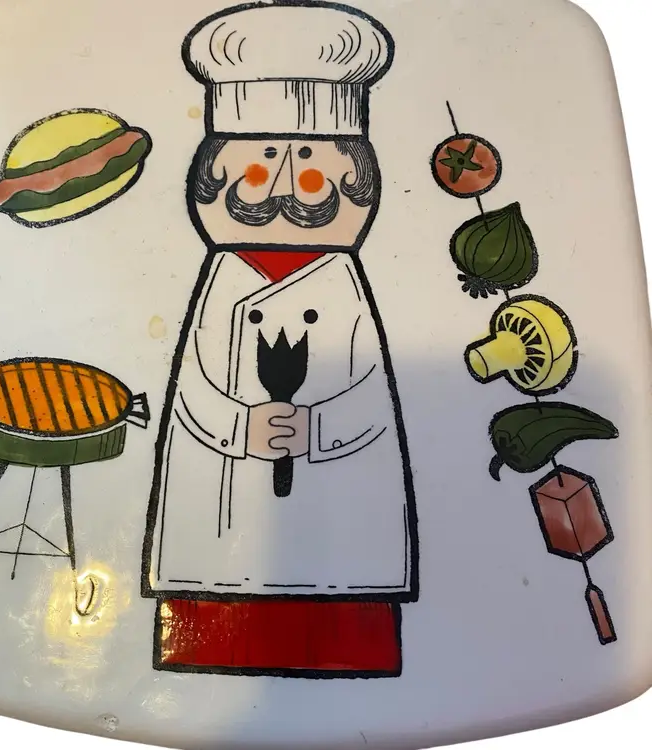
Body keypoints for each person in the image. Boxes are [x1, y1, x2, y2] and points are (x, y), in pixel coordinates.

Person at [141, 0, 418, 678]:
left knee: (338, 590)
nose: (288, 186)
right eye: (262, 163)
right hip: (223, 499)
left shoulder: (344, 283)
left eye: (312, 163)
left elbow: (370, 397)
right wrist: (241, 428)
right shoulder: (222, 279)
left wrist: (316, 429)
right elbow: (193, 390)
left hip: (336, 492)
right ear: (214, 173)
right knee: (218, 592)